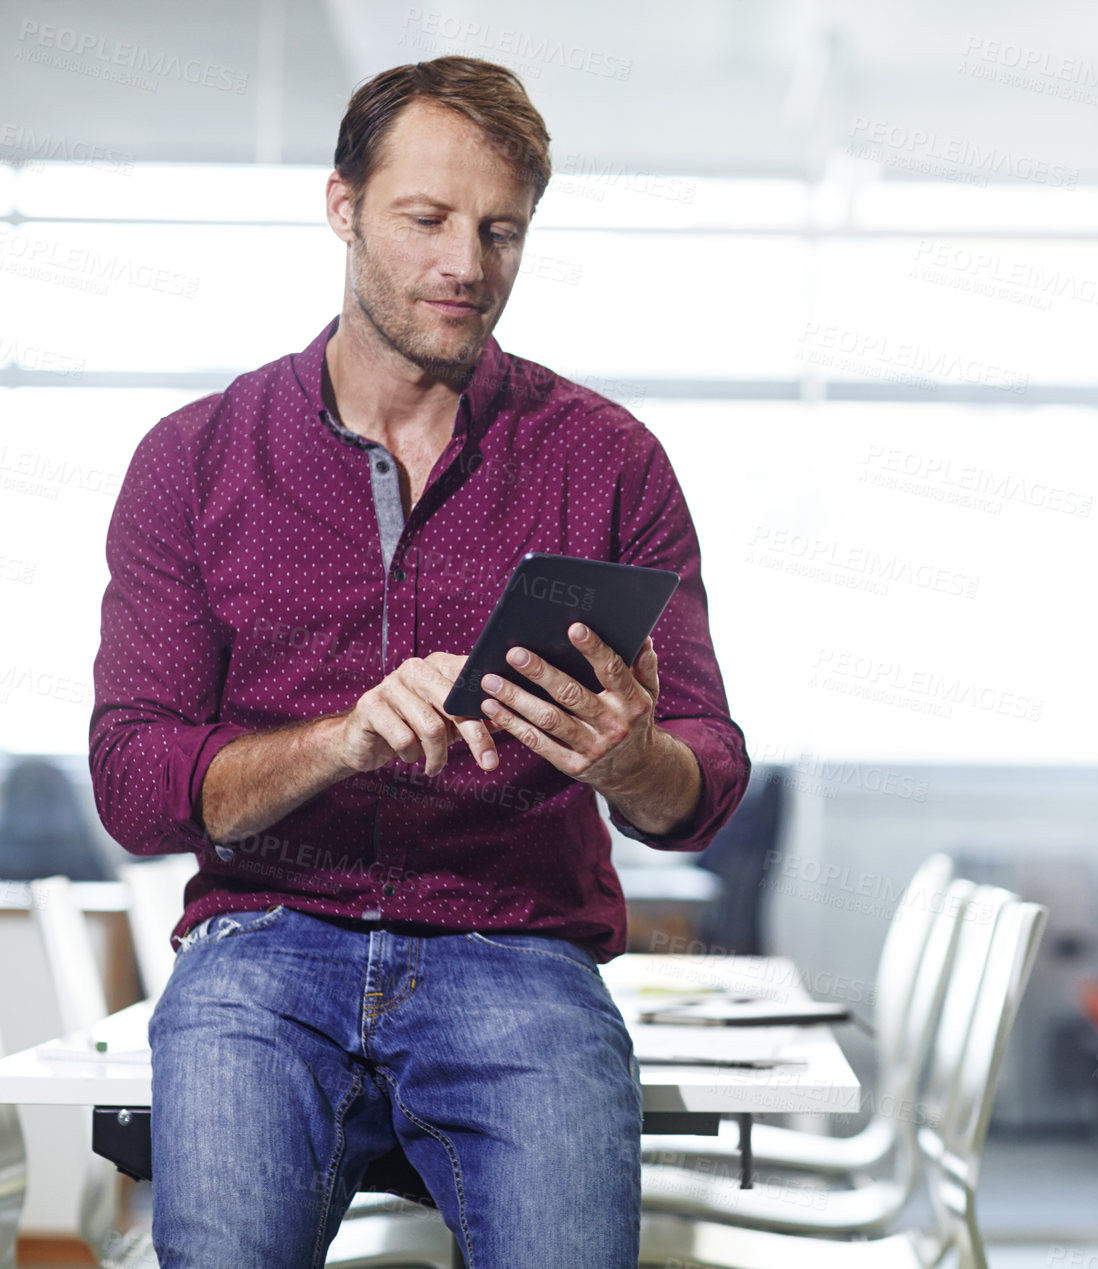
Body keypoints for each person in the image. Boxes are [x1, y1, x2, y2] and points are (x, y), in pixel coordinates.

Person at [87, 55, 749, 1268]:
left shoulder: (609, 462)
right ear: (342, 207)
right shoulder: (192, 460)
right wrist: (342, 739)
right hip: (263, 948)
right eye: (427, 219)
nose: (465, 265)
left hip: (517, 953)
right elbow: (135, 787)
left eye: (500, 230)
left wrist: (633, 758)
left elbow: (703, 782)